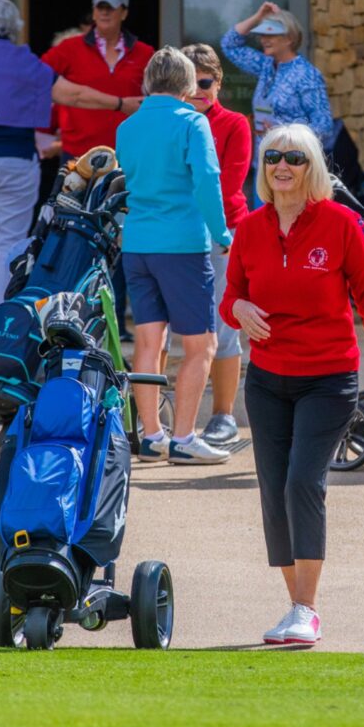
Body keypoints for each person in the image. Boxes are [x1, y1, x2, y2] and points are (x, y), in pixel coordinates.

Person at [219, 123, 364, 645]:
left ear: (312, 167)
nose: (281, 166)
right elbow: (229, 299)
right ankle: (294, 604)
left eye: (294, 158)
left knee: (303, 481)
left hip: (329, 379)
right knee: (274, 491)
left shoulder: (342, 224)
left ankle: (306, 607)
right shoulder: (251, 229)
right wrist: (239, 308)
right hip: (268, 380)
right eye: (272, 156)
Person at [0, 0, 141, 342]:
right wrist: (120, 103)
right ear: (16, 26)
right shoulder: (27, 63)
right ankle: (1, 322)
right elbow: (75, 95)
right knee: (8, 241)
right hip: (14, 158)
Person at [113, 46, 233, 465]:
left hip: (137, 244)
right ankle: (184, 437)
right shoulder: (193, 123)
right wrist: (222, 233)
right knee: (202, 344)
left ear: (148, 82)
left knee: (149, 340)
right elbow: (207, 180)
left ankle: (151, 436)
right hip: (182, 244)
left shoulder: (127, 127)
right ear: (186, 84)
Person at [43, 0, 157, 338]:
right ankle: (70, 314)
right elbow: (34, 82)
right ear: (92, 11)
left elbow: (155, 103)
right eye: (99, 7)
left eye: (111, 7)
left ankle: (116, 318)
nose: (104, 12)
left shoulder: (146, 53)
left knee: (120, 237)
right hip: (78, 161)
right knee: (71, 237)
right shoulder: (68, 50)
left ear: (124, 12)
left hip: (127, 161)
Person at [181, 43, 252, 448]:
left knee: (225, 328)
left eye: (204, 83)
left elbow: (229, 184)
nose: (197, 92)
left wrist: (218, 231)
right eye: (189, 84)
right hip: (179, 234)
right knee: (180, 330)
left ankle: (223, 415)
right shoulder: (174, 123)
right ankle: (165, 417)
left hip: (222, 232)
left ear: (218, 83)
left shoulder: (234, 124)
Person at [222, 2, 334, 149]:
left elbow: (323, 126)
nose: (264, 40)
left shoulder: (307, 75)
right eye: (263, 35)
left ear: (289, 38)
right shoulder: (266, 65)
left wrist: (281, 135)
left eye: (271, 34)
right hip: (264, 160)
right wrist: (258, 17)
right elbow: (230, 45)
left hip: (293, 162)